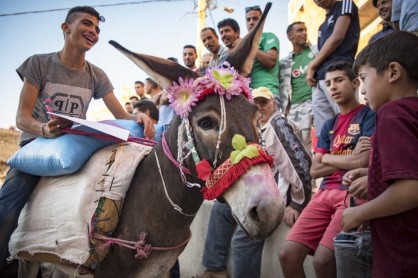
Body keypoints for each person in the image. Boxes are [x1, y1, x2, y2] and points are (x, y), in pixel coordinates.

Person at [0, 5, 154, 272]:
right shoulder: (39, 63)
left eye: (97, 29)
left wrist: (140, 117)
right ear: (66, 27)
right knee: (7, 206)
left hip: (72, 147)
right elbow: (22, 119)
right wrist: (45, 130)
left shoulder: (97, 75)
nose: (93, 32)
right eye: (87, 24)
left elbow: (120, 115)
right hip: (36, 146)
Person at [196, 87, 312, 278]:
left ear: (273, 102)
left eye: (264, 102)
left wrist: (298, 202)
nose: (260, 107)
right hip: (258, 193)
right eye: (255, 104)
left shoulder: (277, 124)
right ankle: (214, 269)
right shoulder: (256, 128)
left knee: (242, 242)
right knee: (221, 210)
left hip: (273, 200)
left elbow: (301, 165)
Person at [279, 61, 375, 277]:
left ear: (355, 83)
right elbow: (314, 170)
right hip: (324, 193)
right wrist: (349, 156)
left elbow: (363, 161)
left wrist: (327, 158)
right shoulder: (329, 125)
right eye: (329, 83)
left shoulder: (368, 115)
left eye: (339, 80)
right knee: (287, 254)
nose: (332, 87)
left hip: (352, 191)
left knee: (323, 261)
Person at [342, 31, 418, 277]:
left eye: (363, 78)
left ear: (393, 72)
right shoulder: (410, 111)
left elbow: (411, 188)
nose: (361, 90)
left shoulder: (392, 113)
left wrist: (360, 212)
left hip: (402, 257)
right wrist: (371, 173)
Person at [307, 0, 360, 139]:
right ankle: (327, 159)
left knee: (350, 121)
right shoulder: (322, 26)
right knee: (323, 130)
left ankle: (355, 156)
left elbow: (338, 36)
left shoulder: (345, 4)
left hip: (340, 70)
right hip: (320, 77)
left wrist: (312, 65)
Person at [279, 21, 317, 154]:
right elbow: (282, 88)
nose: (304, 33)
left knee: (326, 139)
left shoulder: (317, 51)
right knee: (301, 148)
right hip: (296, 108)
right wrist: (285, 109)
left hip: (317, 101)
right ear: (290, 36)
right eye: (299, 30)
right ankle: (307, 175)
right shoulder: (284, 63)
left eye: (305, 30)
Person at [245, 5, 280, 97]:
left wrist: (249, 47)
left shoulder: (268, 36)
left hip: (267, 92)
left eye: (255, 19)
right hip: (249, 95)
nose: (251, 22)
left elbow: (271, 61)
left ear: (262, 21)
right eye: (248, 20)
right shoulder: (244, 42)